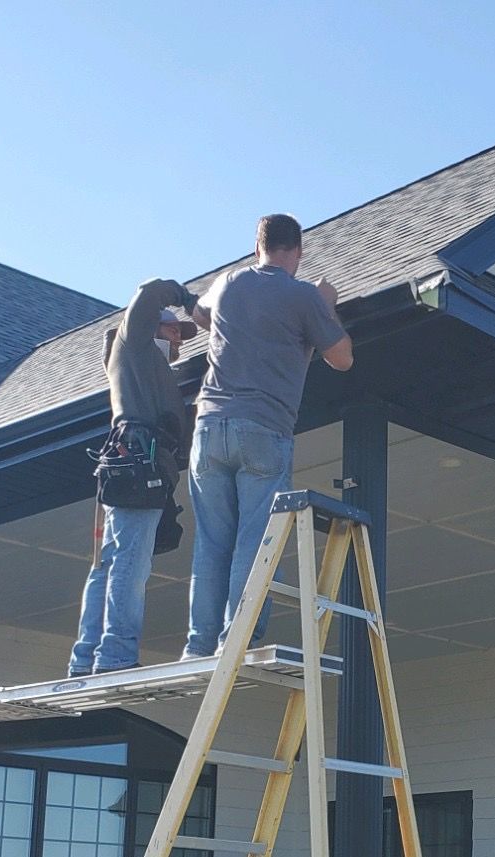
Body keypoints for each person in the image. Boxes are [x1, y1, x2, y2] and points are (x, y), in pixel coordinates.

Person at [183, 214, 353, 658]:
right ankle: (234, 640)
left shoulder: (229, 282)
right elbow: (342, 358)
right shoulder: (304, 295)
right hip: (263, 427)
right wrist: (327, 304)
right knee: (254, 539)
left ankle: (199, 645)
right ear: (298, 252)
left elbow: (199, 314)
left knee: (212, 541)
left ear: (256, 247)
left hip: (209, 426)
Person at [69, 278, 197, 676]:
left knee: (110, 562)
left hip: (133, 464)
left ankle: (87, 657)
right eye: (173, 330)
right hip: (139, 464)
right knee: (130, 561)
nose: (179, 340)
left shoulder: (146, 371)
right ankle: (115, 654)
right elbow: (147, 293)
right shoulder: (135, 345)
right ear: (152, 326)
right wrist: (187, 298)